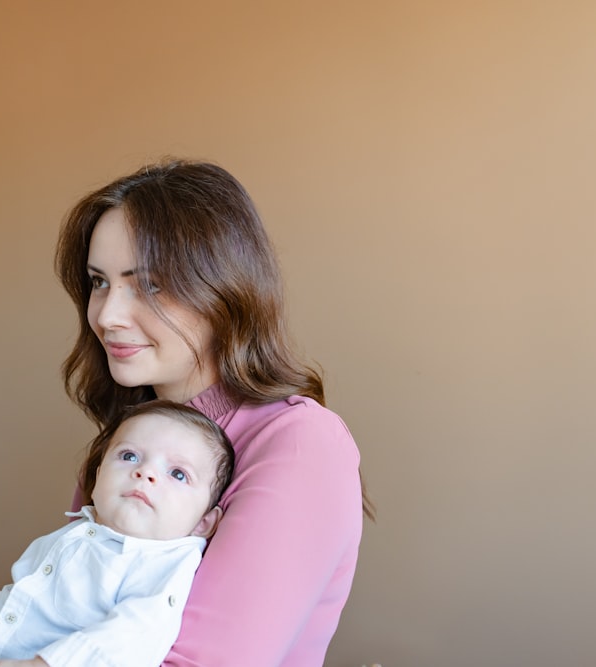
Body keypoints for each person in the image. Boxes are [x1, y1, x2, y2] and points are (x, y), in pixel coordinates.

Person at [53, 158, 374, 666]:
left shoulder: (299, 442)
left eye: (150, 285)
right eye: (99, 282)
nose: (108, 315)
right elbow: (58, 610)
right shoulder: (132, 440)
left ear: (222, 290)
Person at [0, 400, 236, 667]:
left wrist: (46, 663)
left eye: (178, 474)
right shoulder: (75, 533)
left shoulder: (162, 562)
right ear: (97, 479)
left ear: (204, 522)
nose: (145, 472)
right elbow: (24, 585)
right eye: (129, 456)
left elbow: (135, 631)